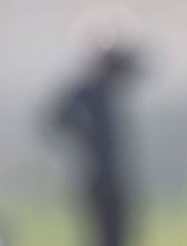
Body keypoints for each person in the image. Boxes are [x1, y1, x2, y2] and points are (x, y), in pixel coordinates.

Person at [53, 44, 138, 246]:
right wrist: (86, 134)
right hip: (98, 176)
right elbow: (57, 117)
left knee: (116, 235)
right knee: (104, 236)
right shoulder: (89, 90)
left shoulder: (108, 91)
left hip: (113, 175)